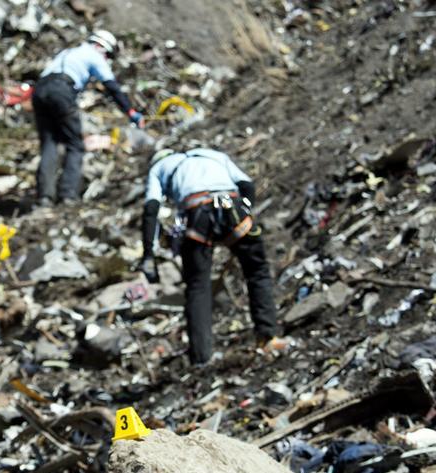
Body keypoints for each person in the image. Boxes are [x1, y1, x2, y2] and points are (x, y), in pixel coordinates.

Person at [140, 148, 284, 364]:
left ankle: (201, 356)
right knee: (257, 271)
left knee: (198, 286)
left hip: (197, 213)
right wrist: (246, 211)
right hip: (233, 207)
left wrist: (148, 255)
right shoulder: (213, 154)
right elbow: (246, 185)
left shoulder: (159, 168)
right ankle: (268, 336)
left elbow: (151, 208)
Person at [33, 30, 143, 206]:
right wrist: (130, 111)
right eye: (107, 55)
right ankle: (68, 196)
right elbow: (112, 86)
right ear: (100, 46)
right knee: (75, 145)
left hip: (40, 92)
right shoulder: (94, 55)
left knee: (50, 143)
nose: (107, 59)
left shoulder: (68, 52)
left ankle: (44, 197)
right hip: (62, 90)